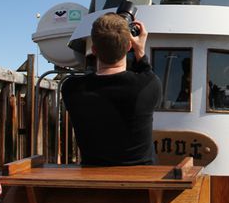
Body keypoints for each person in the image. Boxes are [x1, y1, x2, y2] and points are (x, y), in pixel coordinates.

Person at [61, 12, 162, 166]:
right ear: (129, 46)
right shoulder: (149, 85)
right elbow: (146, 73)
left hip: (93, 178)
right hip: (141, 180)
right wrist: (140, 51)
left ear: (94, 50)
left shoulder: (71, 88)